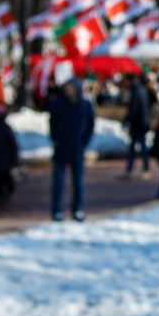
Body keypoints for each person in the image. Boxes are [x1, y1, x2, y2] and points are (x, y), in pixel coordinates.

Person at [47, 67, 94, 221]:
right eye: (66, 88)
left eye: (71, 88)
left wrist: (84, 141)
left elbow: (90, 125)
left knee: (78, 182)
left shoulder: (85, 105)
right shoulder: (58, 103)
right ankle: (57, 210)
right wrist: (55, 139)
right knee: (58, 183)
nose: (68, 91)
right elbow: (52, 122)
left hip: (77, 149)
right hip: (61, 148)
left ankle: (77, 209)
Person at [122, 75, 153, 179]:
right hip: (143, 123)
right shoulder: (143, 90)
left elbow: (133, 109)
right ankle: (145, 169)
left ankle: (131, 170)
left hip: (137, 124)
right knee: (142, 147)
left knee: (134, 148)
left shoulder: (136, 91)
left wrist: (126, 119)